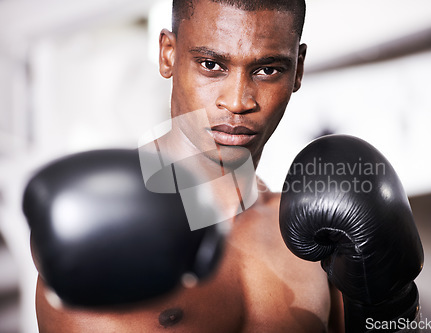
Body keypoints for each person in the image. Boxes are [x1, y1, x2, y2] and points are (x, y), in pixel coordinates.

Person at [33, 0, 346, 332]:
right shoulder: (104, 222)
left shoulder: (313, 232)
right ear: (168, 54)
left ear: (297, 69)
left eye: (267, 70)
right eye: (211, 64)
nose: (238, 101)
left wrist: (395, 304)